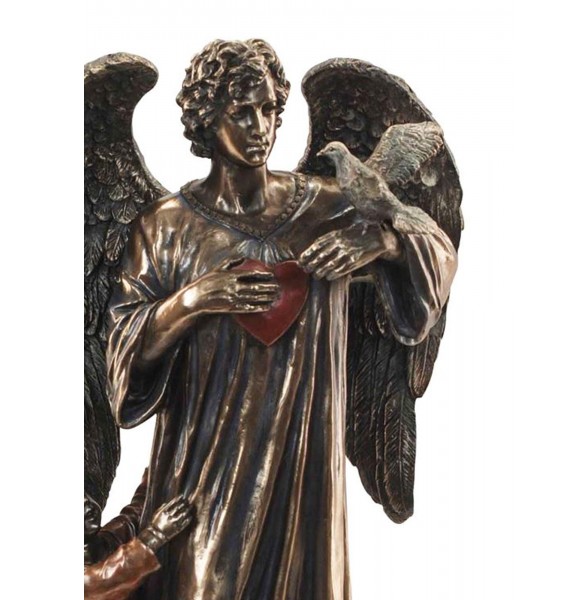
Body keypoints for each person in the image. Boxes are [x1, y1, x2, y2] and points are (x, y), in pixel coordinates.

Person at [107, 39, 457, 600]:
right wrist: (193, 300)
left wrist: (386, 244)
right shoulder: (165, 227)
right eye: (241, 112)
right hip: (204, 469)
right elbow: (122, 361)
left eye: (269, 109)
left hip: (304, 462)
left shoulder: (331, 207)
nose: (260, 127)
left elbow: (435, 258)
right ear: (206, 118)